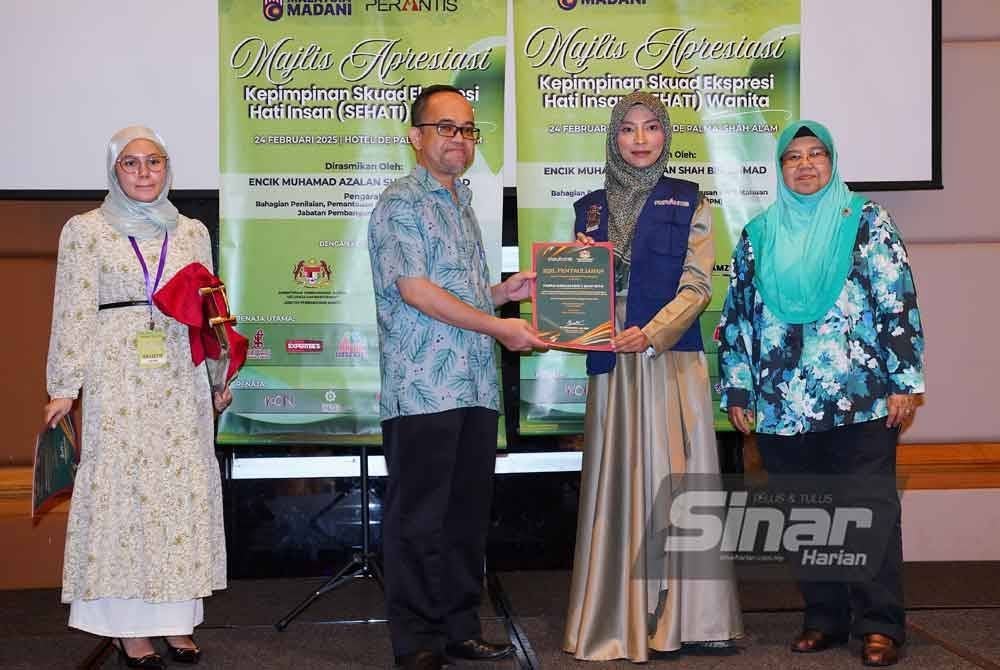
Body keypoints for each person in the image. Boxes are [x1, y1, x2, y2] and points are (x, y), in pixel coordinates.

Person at [717, 120, 925, 667]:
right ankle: (825, 617)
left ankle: (881, 623)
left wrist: (904, 381)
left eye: (816, 155)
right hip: (782, 402)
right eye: (793, 157)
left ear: (832, 162)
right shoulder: (758, 234)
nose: (805, 165)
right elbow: (737, 317)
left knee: (868, 507)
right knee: (805, 511)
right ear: (779, 168)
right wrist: (739, 388)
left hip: (860, 397)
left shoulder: (866, 222)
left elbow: (896, 301)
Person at [367, 84, 549, 670]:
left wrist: (505, 293)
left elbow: (459, 295)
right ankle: (417, 639)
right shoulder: (402, 203)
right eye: (446, 127)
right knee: (418, 519)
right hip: (423, 390)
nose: (460, 139)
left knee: (466, 516)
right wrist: (501, 329)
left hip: (474, 386)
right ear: (416, 136)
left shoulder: (461, 204)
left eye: (468, 129)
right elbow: (415, 291)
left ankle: (459, 629)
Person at [563, 91, 744, 662]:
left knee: (677, 482)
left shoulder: (690, 201)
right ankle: (617, 616)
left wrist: (651, 332)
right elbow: (578, 289)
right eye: (627, 129)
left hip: (668, 362)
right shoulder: (588, 208)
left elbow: (697, 288)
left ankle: (684, 620)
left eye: (651, 128)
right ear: (613, 139)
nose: (640, 139)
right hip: (611, 366)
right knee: (618, 484)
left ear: (666, 136)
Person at [44, 126, 231, 669]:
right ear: (114, 171)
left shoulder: (192, 231)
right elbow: (72, 309)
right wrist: (64, 387)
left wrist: (220, 373)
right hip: (117, 375)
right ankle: (127, 628)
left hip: (179, 375)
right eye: (131, 163)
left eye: (154, 161)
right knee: (124, 495)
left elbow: (210, 308)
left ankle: (175, 621)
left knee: (178, 492)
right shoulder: (85, 231)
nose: (145, 172)